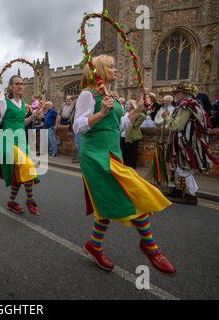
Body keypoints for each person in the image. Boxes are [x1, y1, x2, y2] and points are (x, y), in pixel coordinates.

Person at [73, 54, 176, 275]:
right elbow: (77, 126)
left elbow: (119, 126)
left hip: (113, 152)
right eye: (110, 67)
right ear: (99, 70)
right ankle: (150, 246)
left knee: (109, 202)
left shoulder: (110, 96)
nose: (116, 70)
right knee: (133, 192)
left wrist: (138, 109)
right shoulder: (88, 95)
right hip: (95, 155)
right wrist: (101, 113)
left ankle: (94, 245)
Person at [0, 75, 41, 216]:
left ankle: (11, 202)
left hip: (21, 142)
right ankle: (30, 200)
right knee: (28, 167)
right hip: (8, 142)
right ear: (10, 87)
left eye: (22, 83)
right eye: (17, 84)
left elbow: (22, 123)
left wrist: (33, 116)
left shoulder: (24, 103)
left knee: (19, 175)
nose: (20, 86)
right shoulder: (5, 103)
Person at [164, 81, 216, 205]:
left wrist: (166, 117)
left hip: (186, 143)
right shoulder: (191, 104)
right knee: (179, 167)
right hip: (185, 142)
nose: (175, 94)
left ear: (186, 93)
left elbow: (177, 125)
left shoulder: (187, 105)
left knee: (184, 168)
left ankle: (190, 195)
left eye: (178, 92)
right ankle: (178, 190)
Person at [120, 100, 146, 169]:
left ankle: (131, 167)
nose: (126, 105)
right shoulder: (125, 112)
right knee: (123, 151)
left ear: (132, 105)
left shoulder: (135, 112)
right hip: (123, 135)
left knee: (131, 152)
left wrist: (135, 125)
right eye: (126, 104)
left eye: (128, 104)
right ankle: (124, 165)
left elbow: (143, 116)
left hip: (131, 135)